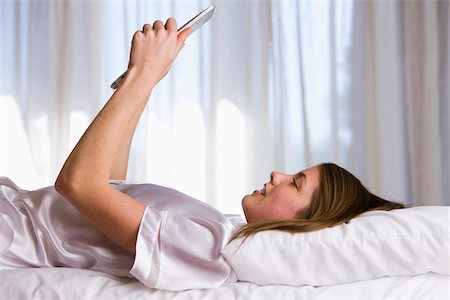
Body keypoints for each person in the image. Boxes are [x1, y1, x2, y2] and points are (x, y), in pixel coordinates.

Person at [0, 19, 404, 291]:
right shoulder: (220, 227)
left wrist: (145, 76)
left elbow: (77, 184)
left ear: (307, 223)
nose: (278, 174)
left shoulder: (212, 247)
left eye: (296, 183)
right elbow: (108, 187)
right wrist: (139, 82)